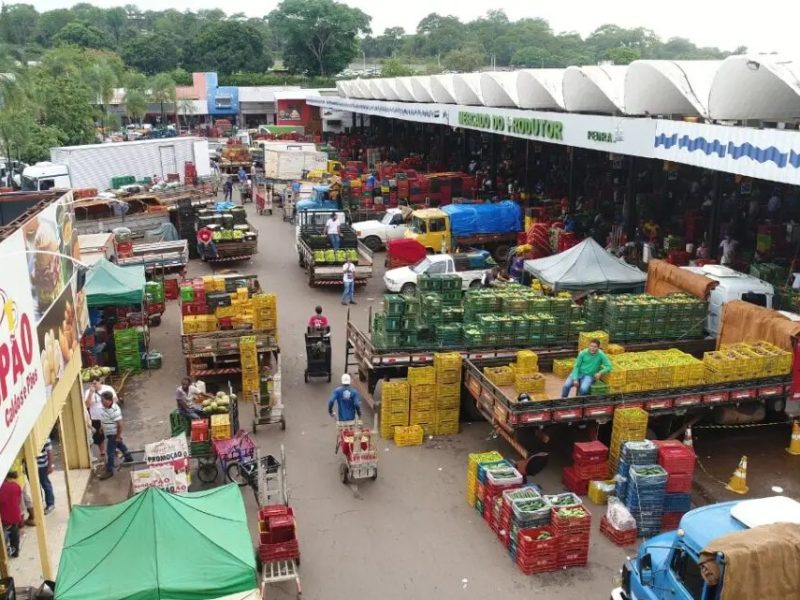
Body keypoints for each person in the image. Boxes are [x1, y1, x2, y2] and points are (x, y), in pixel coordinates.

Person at [98, 391, 134, 479]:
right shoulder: (106, 408)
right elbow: (105, 419)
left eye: (103, 400)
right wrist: (102, 427)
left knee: (110, 452)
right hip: (110, 433)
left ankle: (109, 470)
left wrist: (117, 436)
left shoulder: (114, 410)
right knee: (120, 445)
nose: (101, 402)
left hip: (113, 434)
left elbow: (120, 424)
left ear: (109, 400)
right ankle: (128, 457)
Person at [84, 376, 118, 463]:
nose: (94, 385)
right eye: (92, 383)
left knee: (112, 434)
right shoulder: (88, 392)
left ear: (100, 382)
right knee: (99, 437)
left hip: (108, 416)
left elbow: (115, 399)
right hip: (96, 418)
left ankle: (114, 450)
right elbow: (86, 405)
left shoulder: (107, 388)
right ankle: (102, 453)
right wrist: (91, 394)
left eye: (95, 383)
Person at [0, 471, 23, 557]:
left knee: (4, 536)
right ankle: (15, 551)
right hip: (15, 516)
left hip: (4, 520)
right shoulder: (15, 486)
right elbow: (18, 502)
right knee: (14, 533)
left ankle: (4, 552)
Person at [36, 439, 55, 514]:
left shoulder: (44, 437)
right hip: (31, 466)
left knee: (45, 484)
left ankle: (50, 504)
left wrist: (50, 465)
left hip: (42, 466)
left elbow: (50, 452)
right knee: (36, 487)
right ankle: (40, 504)